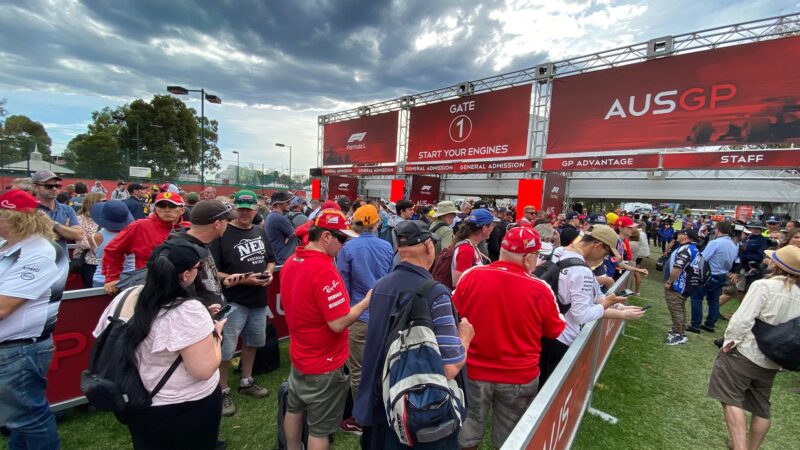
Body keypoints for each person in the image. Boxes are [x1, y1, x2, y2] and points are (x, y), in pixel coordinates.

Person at [93, 240, 225, 450]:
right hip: (181, 406)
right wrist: (216, 335)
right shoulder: (188, 310)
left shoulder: (125, 295)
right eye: (197, 269)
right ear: (186, 275)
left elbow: (101, 335)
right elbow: (204, 369)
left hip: (135, 398)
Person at [354, 220, 474, 449]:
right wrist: (465, 337)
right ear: (430, 245)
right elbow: (450, 366)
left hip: (382, 403)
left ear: (399, 248)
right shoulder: (436, 292)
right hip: (421, 413)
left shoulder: (381, 286)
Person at [452, 226, 566, 449]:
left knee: (467, 431)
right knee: (511, 440)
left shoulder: (472, 276)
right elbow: (555, 330)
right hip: (518, 376)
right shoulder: (540, 288)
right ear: (528, 257)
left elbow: (451, 315)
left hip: (473, 372)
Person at [280, 209, 368, 450]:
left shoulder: (292, 261)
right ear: (326, 237)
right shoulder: (325, 270)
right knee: (319, 430)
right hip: (325, 362)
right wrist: (366, 302)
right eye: (342, 238)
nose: (344, 244)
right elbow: (338, 322)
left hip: (300, 354)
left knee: (294, 409)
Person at [708, 245, 800, 450]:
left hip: (747, 351)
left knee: (730, 398)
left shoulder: (763, 286)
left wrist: (729, 342)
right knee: (761, 408)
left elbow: (742, 319)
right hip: (774, 358)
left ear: (777, 265)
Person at [0, 190, 68, 449]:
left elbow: (3, 306)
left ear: (14, 218)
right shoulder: (11, 246)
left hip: (19, 348)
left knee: (29, 418)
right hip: (13, 347)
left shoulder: (38, 252)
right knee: (16, 418)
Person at [539, 225, 646, 386]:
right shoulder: (582, 271)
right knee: (546, 387)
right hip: (560, 337)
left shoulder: (558, 252)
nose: (604, 258)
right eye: (607, 253)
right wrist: (608, 304)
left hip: (541, 330)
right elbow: (581, 315)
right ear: (597, 245)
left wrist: (621, 310)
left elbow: (596, 296)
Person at [210, 190, 276, 417]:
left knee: (254, 342)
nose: (246, 212)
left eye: (249, 208)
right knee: (227, 349)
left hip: (258, 299)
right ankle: (222, 390)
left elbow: (270, 260)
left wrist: (269, 274)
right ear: (234, 209)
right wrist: (241, 279)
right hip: (234, 299)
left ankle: (246, 380)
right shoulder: (223, 233)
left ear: (256, 209)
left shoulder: (259, 231)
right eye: (242, 208)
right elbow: (213, 271)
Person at [335, 204, 394, 434]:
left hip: (358, 315)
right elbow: (389, 277)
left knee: (358, 369)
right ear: (377, 223)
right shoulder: (387, 246)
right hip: (381, 315)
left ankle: (361, 418)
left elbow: (343, 284)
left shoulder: (348, 248)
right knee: (380, 364)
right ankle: (378, 409)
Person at [102, 191, 185, 295]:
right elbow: (113, 250)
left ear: (182, 210)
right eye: (161, 206)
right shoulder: (139, 226)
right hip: (149, 287)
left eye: (172, 206)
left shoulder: (189, 228)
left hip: (183, 287)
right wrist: (112, 277)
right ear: (155, 208)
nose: (167, 210)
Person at [688, 221, 738, 334]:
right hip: (722, 275)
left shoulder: (715, 243)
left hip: (710, 274)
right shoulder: (733, 245)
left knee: (696, 298)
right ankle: (710, 324)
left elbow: (702, 258)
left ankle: (695, 324)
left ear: (717, 230)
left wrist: (694, 271)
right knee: (714, 301)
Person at [663, 229, 703, 345]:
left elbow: (678, 267)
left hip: (679, 284)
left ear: (685, 236)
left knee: (676, 307)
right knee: (680, 307)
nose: (678, 235)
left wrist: (670, 281)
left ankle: (677, 334)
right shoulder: (693, 249)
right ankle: (680, 330)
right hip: (687, 284)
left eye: (680, 234)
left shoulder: (686, 249)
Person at [31, 170, 83, 255]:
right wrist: (65, 232)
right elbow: (27, 237)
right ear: (35, 187)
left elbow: (79, 235)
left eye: (57, 186)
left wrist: (53, 224)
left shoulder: (67, 209)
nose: (54, 188)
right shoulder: (28, 209)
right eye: (48, 186)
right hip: (35, 262)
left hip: (62, 263)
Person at [90, 200, 135, 288]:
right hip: (130, 278)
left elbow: (96, 254)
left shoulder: (95, 237)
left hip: (102, 279)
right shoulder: (135, 234)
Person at [452, 208, 498, 287]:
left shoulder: (470, 245)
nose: (493, 228)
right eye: (492, 225)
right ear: (484, 229)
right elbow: (459, 283)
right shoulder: (467, 249)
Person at [74, 192, 105, 288]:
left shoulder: (106, 218)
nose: (105, 204)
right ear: (92, 203)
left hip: (106, 262)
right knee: (91, 289)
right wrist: (103, 246)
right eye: (102, 201)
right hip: (89, 262)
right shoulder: (79, 219)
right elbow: (82, 242)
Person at [265, 191, 297, 265]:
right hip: (281, 259)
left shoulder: (271, 216)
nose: (290, 203)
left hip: (276, 257)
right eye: (287, 202)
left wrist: (289, 236)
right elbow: (295, 234)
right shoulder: (279, 218)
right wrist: (290, 236)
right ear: (278, 203)